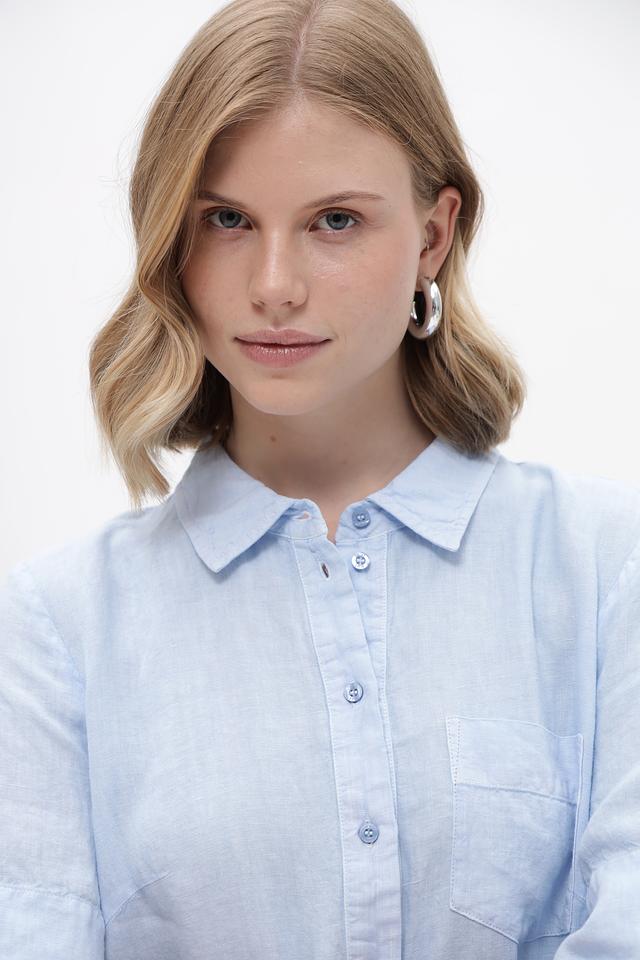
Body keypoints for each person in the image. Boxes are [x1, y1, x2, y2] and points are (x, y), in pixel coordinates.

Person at [1, 0, 639, 957]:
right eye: (226, 219)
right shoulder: (59, 630)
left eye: (335, 221)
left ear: (433, 235)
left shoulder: (608, 571)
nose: (274, 285)